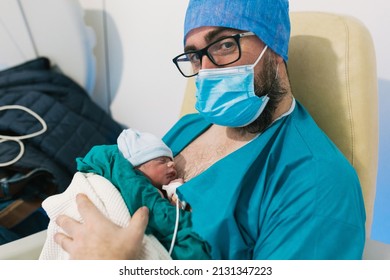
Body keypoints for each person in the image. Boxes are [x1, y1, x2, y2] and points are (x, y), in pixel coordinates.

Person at [54, 0, 366, 260]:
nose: (207, 71)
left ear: (274, 45)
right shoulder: (191, 126)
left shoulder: (316, 182)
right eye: (194, 56)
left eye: (225, 45)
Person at [40, 128, 211, 259]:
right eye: (162, 161)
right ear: (137, 166)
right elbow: (163, 218)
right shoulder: (129, 179)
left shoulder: (159, 191)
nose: (172, 165)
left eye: (171, 161)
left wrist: (175, 199)